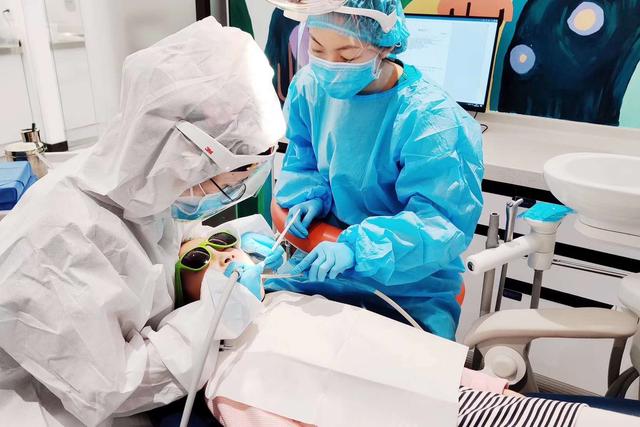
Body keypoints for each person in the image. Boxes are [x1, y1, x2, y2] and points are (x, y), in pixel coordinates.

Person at [0, 17, 285, 427]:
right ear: (188, 158)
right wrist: (215, 317)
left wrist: (220, 242)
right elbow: (115, 387)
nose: (227, 195)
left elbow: (164, 236)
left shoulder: (142, 183)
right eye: (227, 185)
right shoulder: (55, 241)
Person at [170, 230, 639, 427]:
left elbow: (401, 354)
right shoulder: (225, 378)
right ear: (190, 302)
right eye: (199, 261)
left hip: (464, 405)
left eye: (225, 244)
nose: (223, 257)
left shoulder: (296, 296)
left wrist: (481, 385)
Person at [266, 0, 484, 341]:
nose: (329, 65)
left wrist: (358, 249)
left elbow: (440, 223)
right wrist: (310, 193)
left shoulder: (432, 121)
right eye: (317, 48)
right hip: (324, 269)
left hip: (410, 287)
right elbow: (302, 155)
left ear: (385, 45)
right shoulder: (309, 87)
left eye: (347, 56)